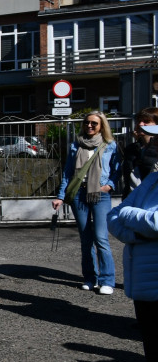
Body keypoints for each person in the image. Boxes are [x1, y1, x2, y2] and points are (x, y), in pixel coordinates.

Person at [108, 168, 158, 362]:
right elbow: (114, 218)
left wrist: (130, 217)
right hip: (146, 290)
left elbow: (152, 220)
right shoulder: (153, 179)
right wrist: (139, 228)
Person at [53, 111, 118, 295]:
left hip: (100, 195)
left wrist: (109, 186)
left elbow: (116, 171)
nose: (89, 126)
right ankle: (90, 278)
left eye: (94, 124)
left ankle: (107, 280)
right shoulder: (76, 145)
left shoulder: (110, 145)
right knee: (85, 239)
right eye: (87, 123)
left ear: (101, 126)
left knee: (101, 238)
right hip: (78, 194)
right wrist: (60, 196)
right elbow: (67, 173)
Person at [122, 107, 158, 192]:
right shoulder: (131, 149)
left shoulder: (155, 149)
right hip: (132, 198)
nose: (140, 124)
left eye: (146, 122)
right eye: (139, 121)